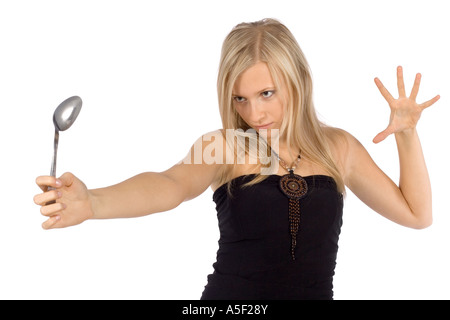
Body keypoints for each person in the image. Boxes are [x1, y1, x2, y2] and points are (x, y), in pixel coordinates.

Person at [33, 18, 440, 300]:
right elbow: (170, 185)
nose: (255, 114)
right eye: (240, 99)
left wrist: (407, 134)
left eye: (267, 94)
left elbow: (416, 214)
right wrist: (94, 203)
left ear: (297, 80)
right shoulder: (227, 146)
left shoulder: (339, 148)